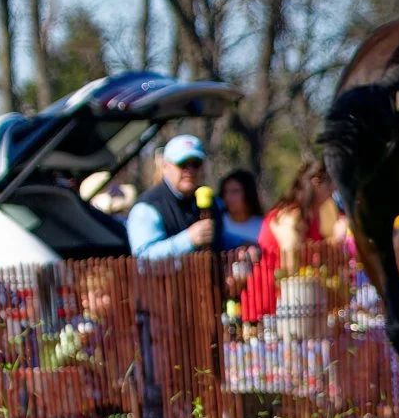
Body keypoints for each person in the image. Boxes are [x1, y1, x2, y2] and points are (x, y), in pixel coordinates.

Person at [241, 160, 346, 325]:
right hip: (271, 304)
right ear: (316, 182)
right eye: (330, 181)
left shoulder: (315, 215)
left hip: (297, 303)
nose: (334, 188)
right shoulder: (290, 217)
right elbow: (290, 266)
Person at [126, 135, 220, 260]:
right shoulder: (147, 208)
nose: (190, 170)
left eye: (195, 164)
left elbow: (221, 237)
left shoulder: (209, 201)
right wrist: (188, 240)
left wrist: (243, 245)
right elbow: (143, 259)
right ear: (165, 166)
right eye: (182, 164)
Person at [218, 170, 264, 249]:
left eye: (235, 191)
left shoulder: (263, 225)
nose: (228, 197)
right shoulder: (218, 224)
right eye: (225, 192)